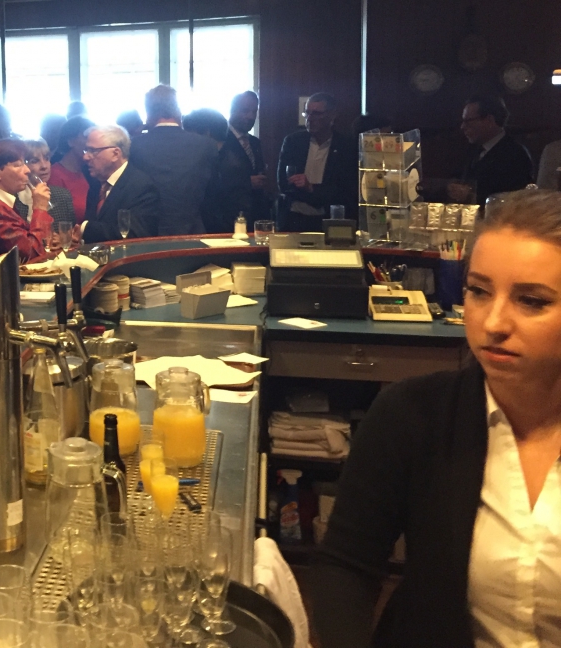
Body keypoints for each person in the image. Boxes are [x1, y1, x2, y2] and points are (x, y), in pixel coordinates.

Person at [311, 189, 561, 648]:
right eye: (479, 291)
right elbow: (346, 565)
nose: (493, 323)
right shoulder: (412, 415)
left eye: (531, 300)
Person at [130, 85, 218, 235]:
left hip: (147, 234)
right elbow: (214, 194)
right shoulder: (206, 145)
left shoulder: (134, 146)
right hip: (193, 232)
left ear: (148, 113)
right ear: (178, 110)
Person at [276, 92, 356, 231]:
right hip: (294, 217)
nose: (310, 118)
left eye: (317, 114)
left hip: (329, 218)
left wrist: (312, 188)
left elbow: (346, 189)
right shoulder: (293, 142)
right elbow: (283, 182)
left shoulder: (346, 146)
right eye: (307, 113)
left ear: (332, 115)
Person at [0, 139, 54, 262]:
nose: (27, 170)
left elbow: (27, 238)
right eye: (18, 165)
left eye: (25, 163)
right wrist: (40, 208)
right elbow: (31, 253)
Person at [449, 94, 534, 206]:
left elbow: (513, 198)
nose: (463, 127)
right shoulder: (473, 149)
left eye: (468, 121)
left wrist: (470, 193)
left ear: (489, 120)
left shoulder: (516, 154)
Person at [80, 124, 160, 241]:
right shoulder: (97, 184)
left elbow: (134, 234)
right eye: (86, 150)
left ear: (115, 154)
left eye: (93, 151)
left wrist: (85, 228)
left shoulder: (141, 187)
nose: (85, 157)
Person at [184, 108, 252, 233]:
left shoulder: (230, 165)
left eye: (191, 135)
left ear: (207, 133)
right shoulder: (219, 158)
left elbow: (237, 213)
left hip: (221, 237)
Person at [228, 90, 269, 225]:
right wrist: (247, 183)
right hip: (229, 216)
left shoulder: (255, 142)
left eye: (254, 112)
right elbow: (215, 179)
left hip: (254, 215)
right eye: (245, 111)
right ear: (232, 110)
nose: (251, 116)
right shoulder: (220, 141)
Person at [49, 115, 95, 222]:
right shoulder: (55, 175)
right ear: (70, 141)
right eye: (86, 137)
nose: (91, 143)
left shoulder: (89, 172)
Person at [24, 138, 75, 225]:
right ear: (23, 165)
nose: (44, 166)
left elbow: (69, 231)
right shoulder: (15, 200)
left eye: (47, 159)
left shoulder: (63, 196)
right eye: (35, 161)